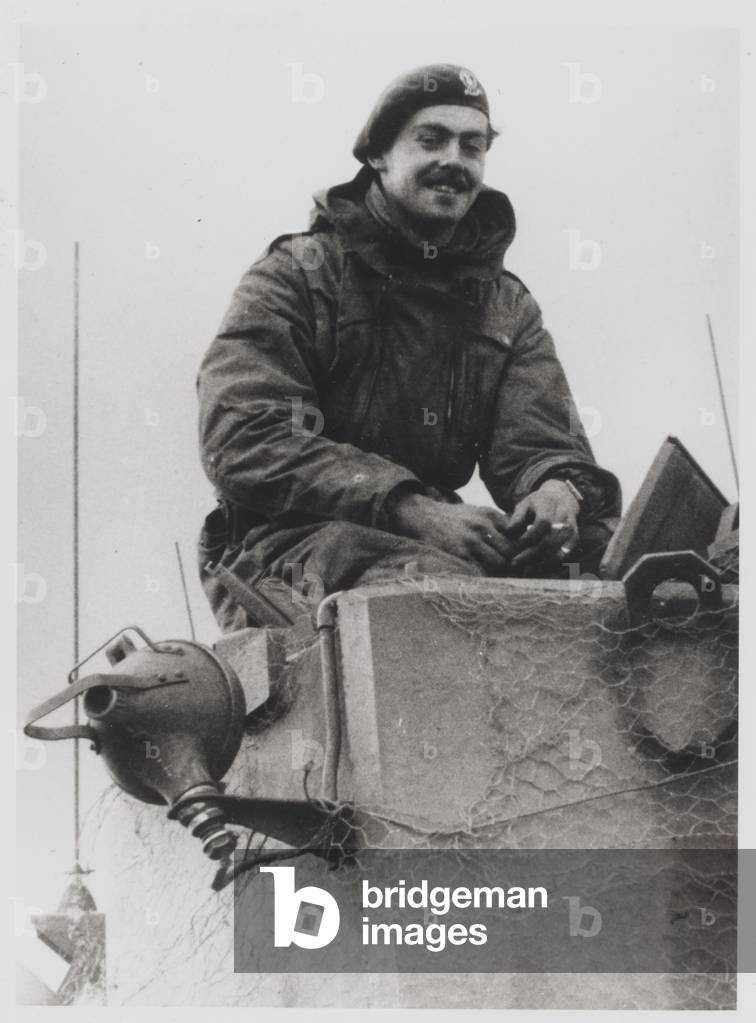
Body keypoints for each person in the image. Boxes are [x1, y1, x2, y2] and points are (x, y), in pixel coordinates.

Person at [196, 63, 621, 633]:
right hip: (285, 545)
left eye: (472, 146)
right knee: (441, 601)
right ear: (377, 155)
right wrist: (411, 508)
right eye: (431, 139)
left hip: (436, 540)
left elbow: (537, 442)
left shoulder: (504, 306)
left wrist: (556, 490)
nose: (453, 159)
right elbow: (242, 438)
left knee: (633, 572)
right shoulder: (298, 275)